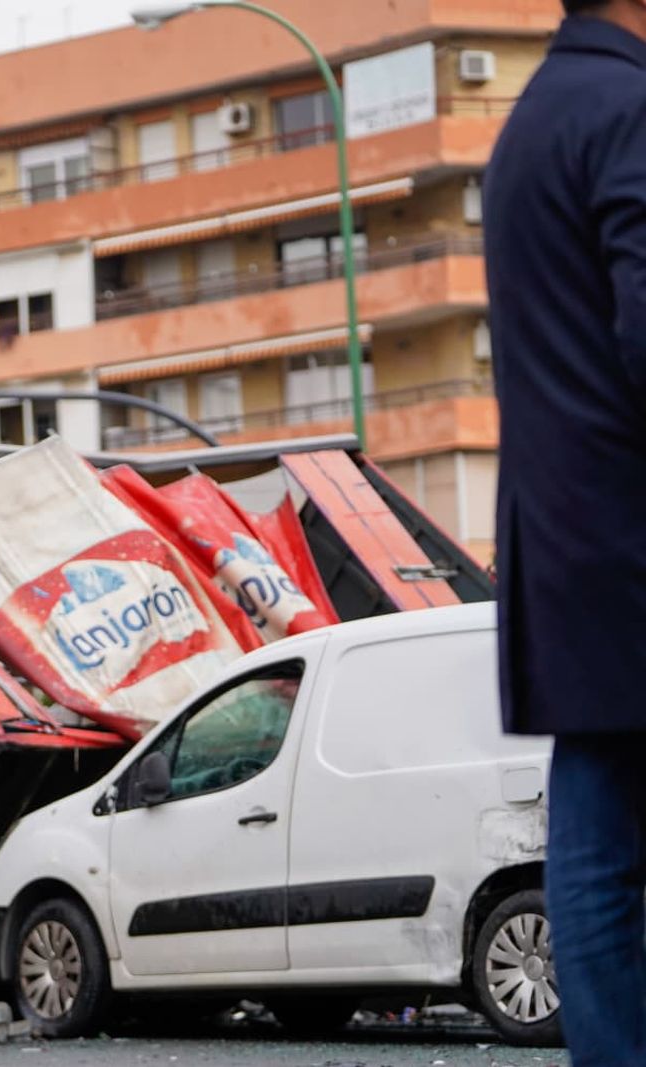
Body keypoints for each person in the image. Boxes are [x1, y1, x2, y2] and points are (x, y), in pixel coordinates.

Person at [485, 2, 646, 1062]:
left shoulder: (531, 121)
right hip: (635, 528)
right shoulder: (630, 108)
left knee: (594, 844)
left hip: (565, 544)